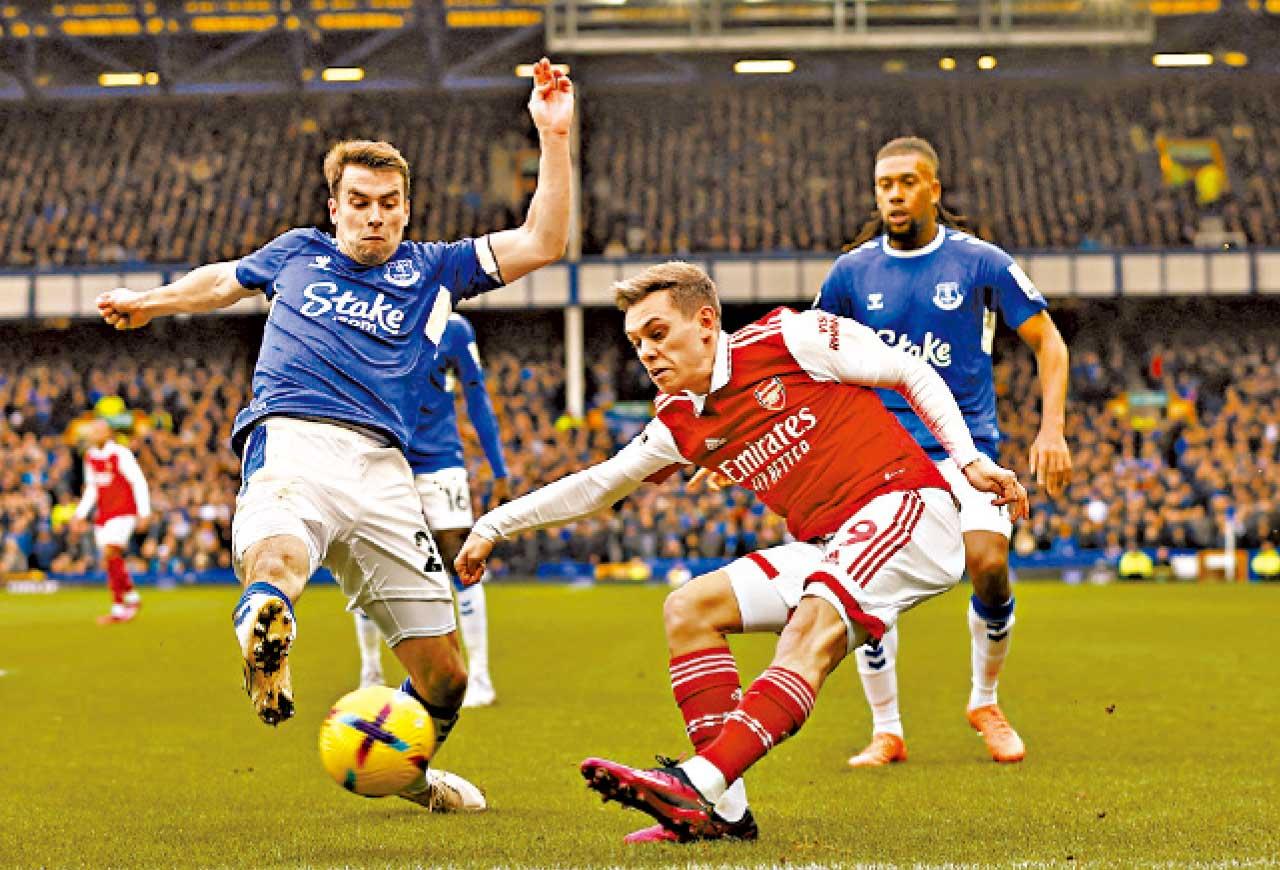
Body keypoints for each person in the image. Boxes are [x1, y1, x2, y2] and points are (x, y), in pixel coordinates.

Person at [95, 58, 573, 812]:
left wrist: (554, 135)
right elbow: (221, 280)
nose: (374, 216)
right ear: (334, 206)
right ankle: (267, 624)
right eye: (359, 202)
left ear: (407, 210)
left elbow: (543, 240)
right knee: (279, 556)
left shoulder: (436, 269)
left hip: (385, 472)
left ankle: (407, 774)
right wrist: (150, 302)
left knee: (445, 677)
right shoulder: (297, 253)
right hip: (294, 442)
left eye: (388, 203)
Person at [454, 262, 1029, 842]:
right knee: (690, 609)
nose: (647, 353)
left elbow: (909, 371)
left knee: (813, 619)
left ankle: (697, 781)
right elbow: (600, 485)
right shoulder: (679, 422)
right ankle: (723, 813)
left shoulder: (790, 338)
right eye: (636, 342)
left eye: (658, 333)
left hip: (906, 507)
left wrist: (968, 460)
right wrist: (495, 524)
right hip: (829, 544)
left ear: (706, 322)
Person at [815, 136, 1071, 766]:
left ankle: (985, 701)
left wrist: (1052, 429)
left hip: (968, 449)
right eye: (884, 185)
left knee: (988, 563)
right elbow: (810, 358)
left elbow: (1050, 343)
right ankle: (887, 729)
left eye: (907, 182)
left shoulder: (981, 262)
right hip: (881, 456)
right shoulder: (850, 273)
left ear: (934, 187)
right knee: (867, 589)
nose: (894, 194)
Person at [355, 311, 510, 710]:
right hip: (383, 456)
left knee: (462, 560)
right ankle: (370, 672)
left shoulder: (453, 328)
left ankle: (480, 678)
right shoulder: (369, 314)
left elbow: (477, 396)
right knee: (370, 562)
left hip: (440, 459)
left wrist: (498, 468)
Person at [71, 419, 150, 625]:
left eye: (99, 431)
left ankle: (118, 608)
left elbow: (138, 481)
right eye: (93, 431)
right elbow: (92, 488)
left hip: (124, 511)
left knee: (110, 552)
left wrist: (144, 512)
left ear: (108, 433)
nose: (95, 434)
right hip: (104, 514)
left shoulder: (120, 454)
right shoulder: (90, 456)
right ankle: (131, 596)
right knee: (111, 559)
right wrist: (80, 514)